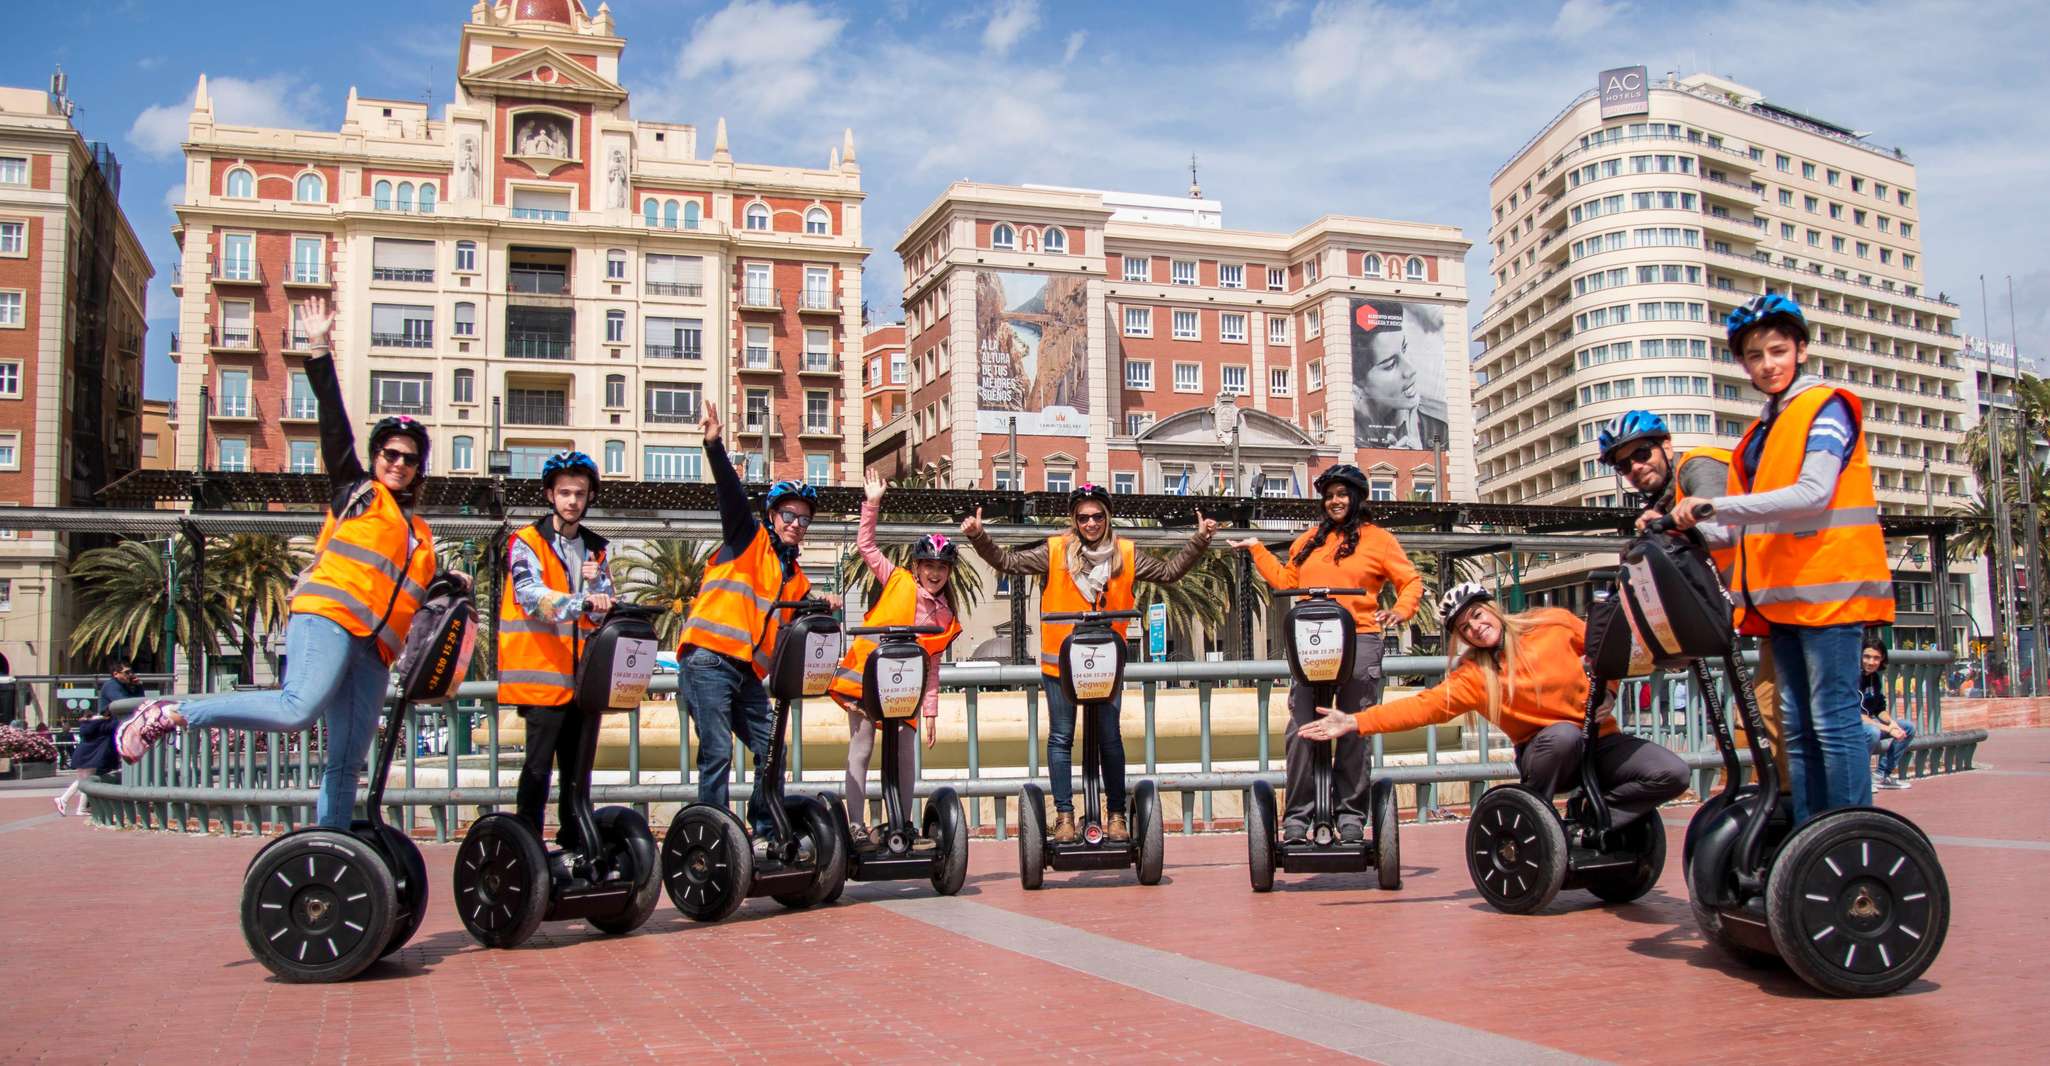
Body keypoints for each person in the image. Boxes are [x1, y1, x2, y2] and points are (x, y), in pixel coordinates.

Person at [116, 295, 443, 830]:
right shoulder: (358, 492)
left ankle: (332, 849)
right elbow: (335, 428)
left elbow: (419, 595)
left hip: (374, 651)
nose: (399, 463)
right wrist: (318, 349)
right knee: (296, 709)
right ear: (376, 457)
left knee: (347, 761)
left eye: (410, 458)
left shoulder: (421, 534)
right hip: (329, 620)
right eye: (391, 453)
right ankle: (172, 713)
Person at [1653, 293, 1894, 825]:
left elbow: (1813, 492)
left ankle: (1851, 833)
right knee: (1796, 726)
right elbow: (1747, 526)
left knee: (1832, 720)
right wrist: (1679, 525)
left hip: (1832, 591)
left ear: (1801, 350)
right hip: (1783, 601)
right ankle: (1809, 836)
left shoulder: (1826, 407)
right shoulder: (1761, 432)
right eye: (1755, 356)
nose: (1767, 364)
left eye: (1778, 351)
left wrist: (1712, 504)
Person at [1301, 583, 1689, 829]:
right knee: (1564, 736)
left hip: (1601, 742)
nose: (1475, 627)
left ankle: (1590, 815)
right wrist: (1355, 722)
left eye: (1477, 615)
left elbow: (1608, 651)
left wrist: (1611, 692)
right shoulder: (1475, 676)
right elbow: (1423, 706)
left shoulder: (1553, 624)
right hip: (1549, 752)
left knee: (1672, 773)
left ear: (1492, 608)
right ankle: (1539, 818)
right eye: (1464, 628)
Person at [963, 484, 1218, 843]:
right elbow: (1009, 563)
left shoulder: (1126, 553)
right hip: (1061, 665)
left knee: (1110, 738)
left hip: (1105, 665)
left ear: (1107, 517)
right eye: (1083, 518)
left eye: (1098, 516)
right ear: (1075, 520)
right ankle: (1065, 817)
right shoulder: (1055, 550)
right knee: (1061, 738)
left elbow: (1169, 572)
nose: (1091, 523)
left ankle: (1116, 815)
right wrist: (979, 536)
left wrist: (1201, 539)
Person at [1228, 463, 1422, 845]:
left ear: (1356, 498)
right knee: (1302, 728)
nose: (1335, 501)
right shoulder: (1308, 541)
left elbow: (1410, 580)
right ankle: (1298, 817)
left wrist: (1401, 610)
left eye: (1342, 494)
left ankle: (1350, 816)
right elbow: (1287, 581)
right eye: (1330, 495)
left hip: (1360, 638)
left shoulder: (1379, 540)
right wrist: (1257, 549)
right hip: (1312, 641)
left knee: (1353, 728)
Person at [675, 403, 840, 843]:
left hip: (745, 672)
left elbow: (800, 616)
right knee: (717, 752)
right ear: (772, 516)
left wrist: (824, 604)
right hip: (708, 659)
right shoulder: (747, 539)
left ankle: (765, 828)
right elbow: (730, 494)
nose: (796, 524)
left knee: (771, 747)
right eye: (789, 515)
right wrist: (714, 446)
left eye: (804, 519)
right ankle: (714, 838)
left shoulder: (796, 577)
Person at [1603, 409, 1788, 790]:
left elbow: (1719, 522)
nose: (1635, 468)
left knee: (1774, 717)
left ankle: (1808, 809)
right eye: (1624, 466)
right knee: (1757, 721)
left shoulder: (1698, 466)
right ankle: (1784, 803)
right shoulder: (1667, 499)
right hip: (1769, 616)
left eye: (1642, 454)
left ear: (1667, 446)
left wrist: (1669, 524)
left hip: (1795, 606)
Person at [828, 470, 962, 844]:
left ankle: (902, 823)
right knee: (862, 748)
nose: (935, 573)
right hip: (864, 680)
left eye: (942, 567)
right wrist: (872, 503)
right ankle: (856, 824)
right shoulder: (898, 579)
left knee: (905, 753)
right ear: (917, 567)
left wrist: (931, 712)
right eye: (929, 566)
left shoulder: (944, 615)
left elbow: (932, 666)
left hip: (904, 690)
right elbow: (867, 547)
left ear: (948, 572)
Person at [501, 451, 617, 846]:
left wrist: (598, 588)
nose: (572, 501)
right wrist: (581, 601)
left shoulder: (596, 549)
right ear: (550, 495)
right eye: (565, 493)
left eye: (580, 494)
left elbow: (603, 611)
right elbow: (530, 596)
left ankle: (574, 845)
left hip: (582, 682)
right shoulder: (527, 542)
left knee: (577, 774)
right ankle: (527, 849)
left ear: (589, 497)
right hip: (542, 678)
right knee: (537, 771)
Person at [57, 660, 139, 816]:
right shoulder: (111, 689)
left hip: (97, 749)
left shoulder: (101, 722)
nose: (130, 675)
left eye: (131, 672)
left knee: (90, 777)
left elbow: (135, 703)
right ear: (116, 674)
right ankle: (65, 800)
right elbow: (125, 703)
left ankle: (78, 806)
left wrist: (137, 686)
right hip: (93, 751)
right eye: (127, 672)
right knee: (88, 778)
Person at [1861, 643, 1917, 790]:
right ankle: (1861, 779)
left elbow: (1879, 709)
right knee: (1872, 732)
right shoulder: (1851, 678)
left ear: (1882, 659)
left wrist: (1892, 723)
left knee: (1907, 727)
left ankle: (1881, 775)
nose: (1871, 662)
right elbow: (1854, 715)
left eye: (1876, 658)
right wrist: (1887, 729)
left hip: (1867, 724)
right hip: (1848, 726)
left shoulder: (1874, 678)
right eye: (1867, 656)